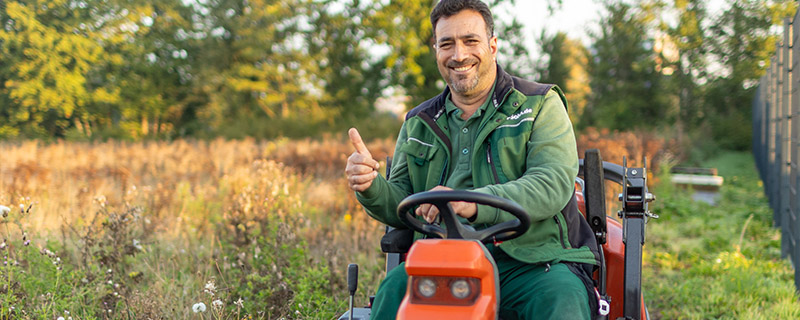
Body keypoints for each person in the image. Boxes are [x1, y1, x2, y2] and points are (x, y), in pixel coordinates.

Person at [345, 0, 599, 318]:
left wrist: (471, 202)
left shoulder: (539, 105)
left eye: (470, 41)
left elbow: (552, 185)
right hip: (445, 257)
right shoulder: (417, 122)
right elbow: (402, 203)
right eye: (447, 44)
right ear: (436, 50)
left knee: (561, 300)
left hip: (535, 262)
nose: (459, 55)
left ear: (492, 45)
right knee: (394, 293)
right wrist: (370, 186)